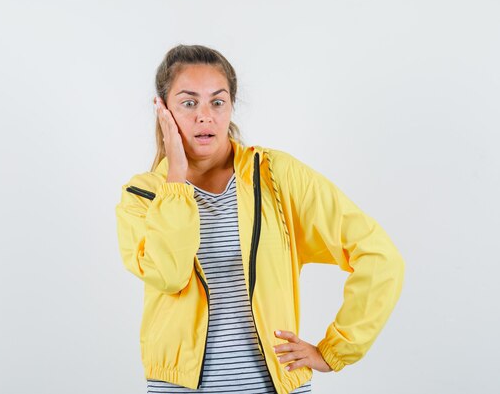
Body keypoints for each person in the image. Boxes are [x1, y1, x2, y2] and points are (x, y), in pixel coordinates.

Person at [115, 44, 405, 394]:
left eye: (217, 102)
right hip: (179, 388)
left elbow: (379, 256)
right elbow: (170, 274)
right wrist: (176, 179)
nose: (204, 116)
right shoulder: (142, 196)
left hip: (274, 386)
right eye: (189, 102)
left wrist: (335, 350)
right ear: (163, 109)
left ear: (231, 106)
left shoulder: (276, 175)